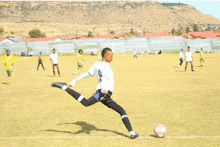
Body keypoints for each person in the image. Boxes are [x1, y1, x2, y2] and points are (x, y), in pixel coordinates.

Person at [51, 47, 139, 139]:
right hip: (103, 93)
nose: (112, 58)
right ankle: (64, 87)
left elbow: (85, 74)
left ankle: (132, 133)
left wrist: (74, 81)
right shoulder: (106, 66)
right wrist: (104, 88)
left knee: (120, 111)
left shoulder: (96, 64)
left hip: (103, 95)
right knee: (87, 103)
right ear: (106, 56)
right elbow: (105, 77)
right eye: (111, 55)